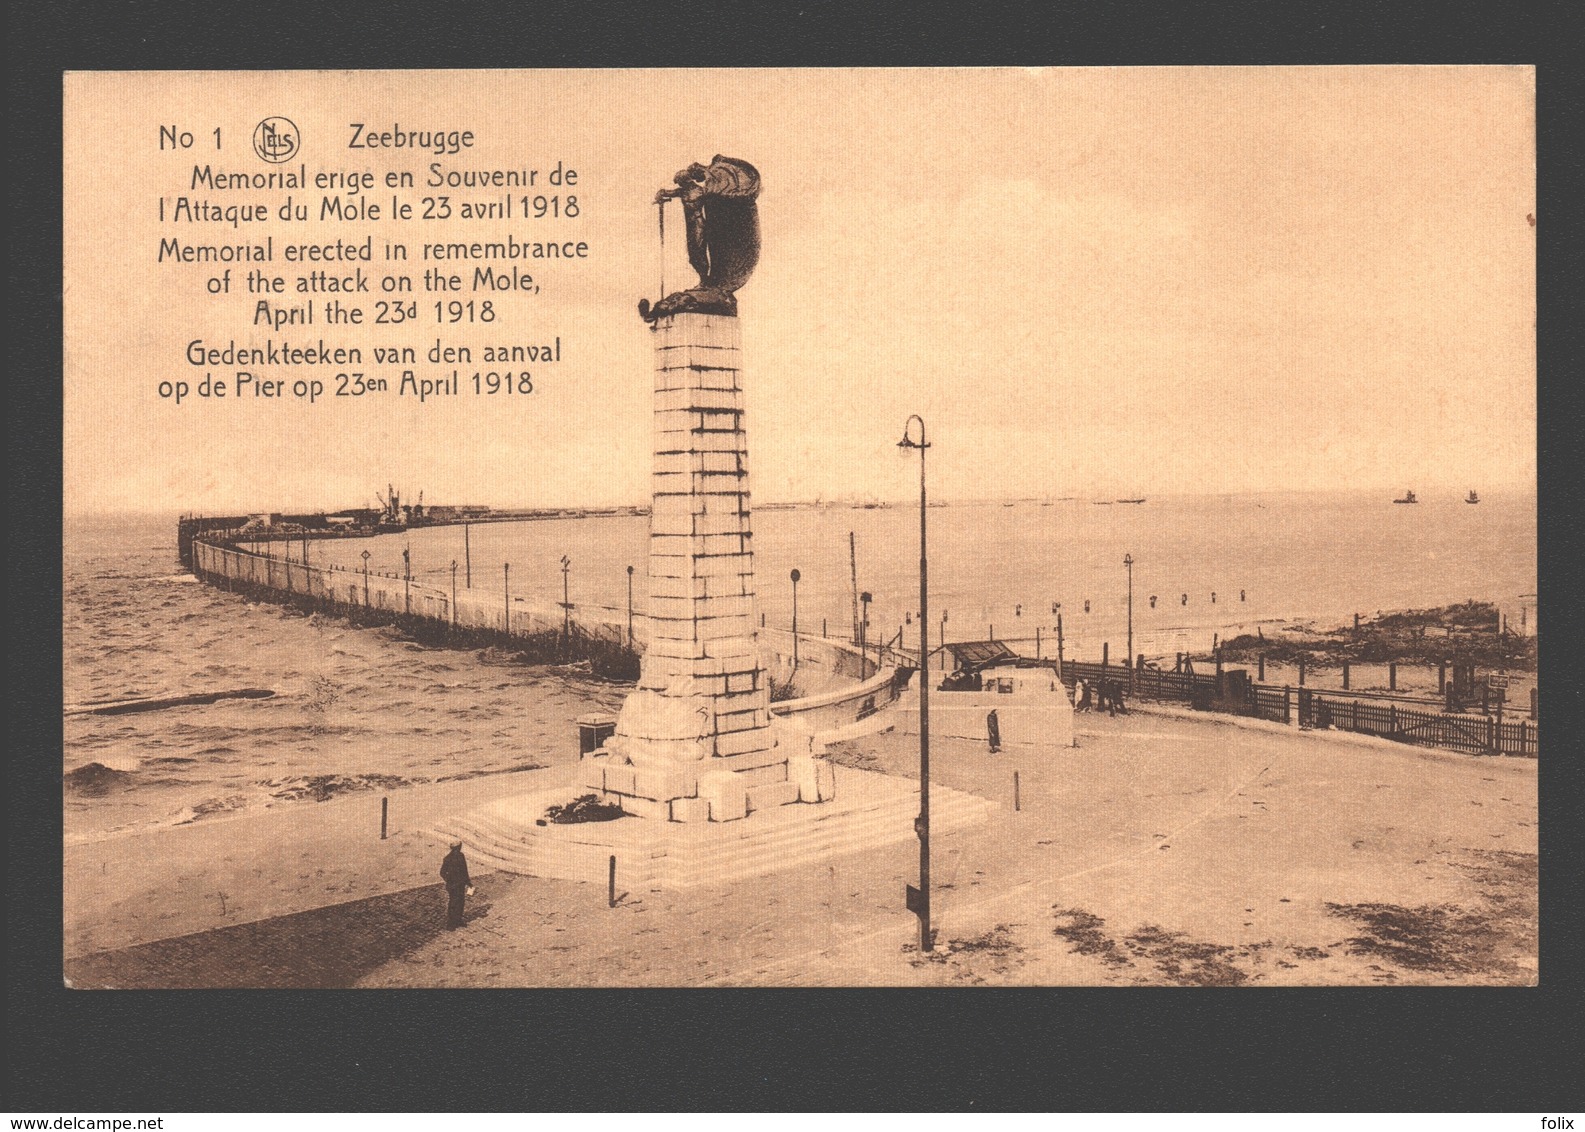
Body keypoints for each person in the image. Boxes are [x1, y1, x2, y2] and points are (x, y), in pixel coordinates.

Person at [440, 841, 472, 929]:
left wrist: (468, 882)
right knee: (453, 903)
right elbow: (442, 872)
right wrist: (449, 880)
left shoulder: (461, 856)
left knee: (461, 902)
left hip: (460, 884)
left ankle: (459, 920)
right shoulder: (447, 859)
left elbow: (464, 870)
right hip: (453, 885)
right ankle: (451, 923)